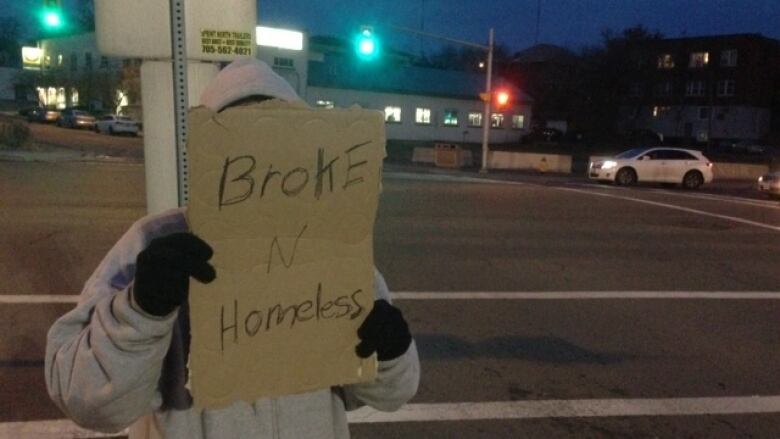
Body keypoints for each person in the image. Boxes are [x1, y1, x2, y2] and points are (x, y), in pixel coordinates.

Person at [45, 58, 420, 439]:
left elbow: (390, 393)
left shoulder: (330, 246)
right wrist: (141, 311)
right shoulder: (155, 242)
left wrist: (390, 354)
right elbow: (88, 401)